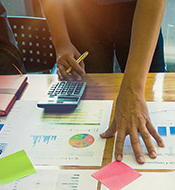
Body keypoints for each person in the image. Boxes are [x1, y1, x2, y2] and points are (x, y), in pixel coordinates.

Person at [40, 0, 166, 164]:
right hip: (80, 13)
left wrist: (133, 90)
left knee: (149, 99)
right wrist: (61, 41)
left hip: (139, 11)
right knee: (87, 105)